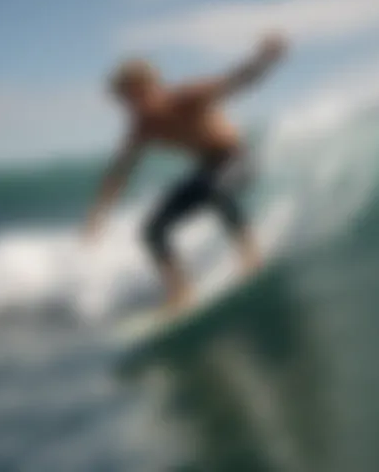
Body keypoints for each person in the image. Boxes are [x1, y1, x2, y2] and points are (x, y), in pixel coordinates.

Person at [83, 33, 288, 310]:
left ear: (152, 86)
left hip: (239, 160)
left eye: (135, 96)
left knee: (213, 187)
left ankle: (250, 254)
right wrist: (99, 213)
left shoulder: (188, 97)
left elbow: (237, 81)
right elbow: (119, 172)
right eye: (126, 102)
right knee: (152, 231)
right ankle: (180, 291)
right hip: (206, 170)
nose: (133, 106)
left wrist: (264, 59)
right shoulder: (142, 127)